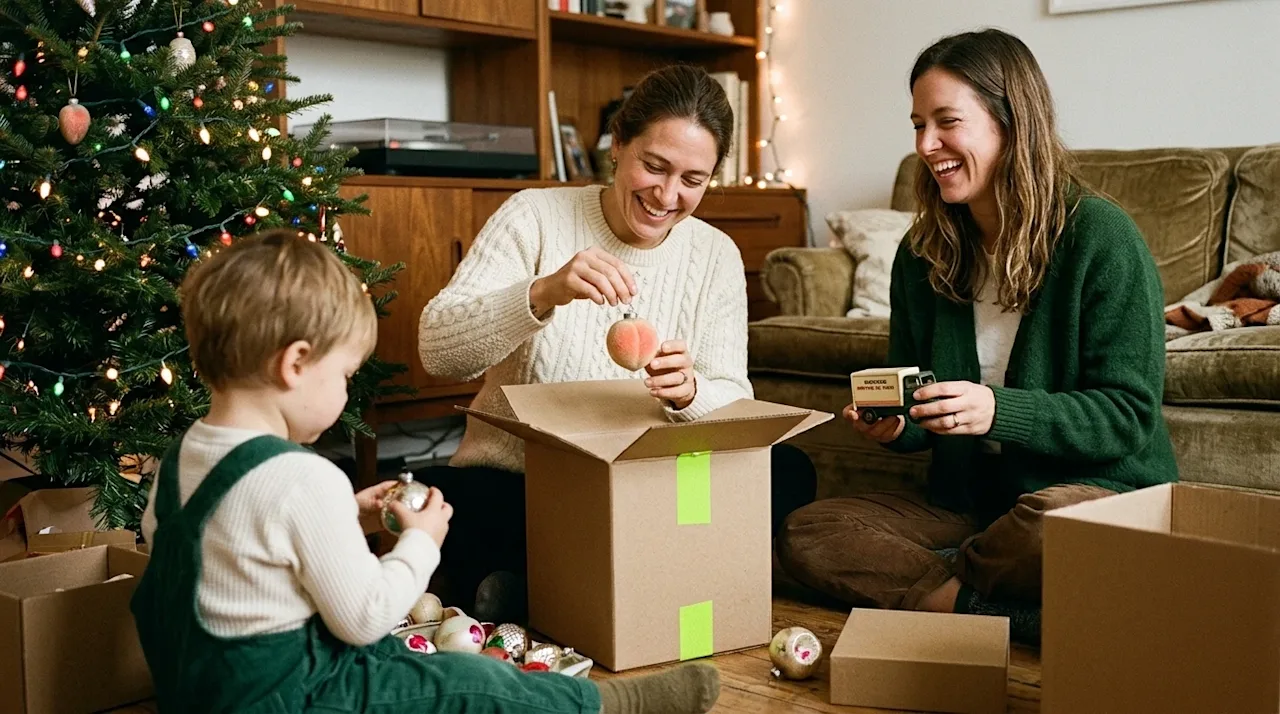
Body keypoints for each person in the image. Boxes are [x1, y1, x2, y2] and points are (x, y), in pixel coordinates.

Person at [130, 229, 721, 714]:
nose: (343, 395)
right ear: (295, 364)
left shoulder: (181, 461)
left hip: (200, 695)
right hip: (290, 698)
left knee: (406, 663)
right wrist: (418, 544)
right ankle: (606, 707)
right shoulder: (300, 480)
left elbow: (239, 557)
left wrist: (346, 510)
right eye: (342, 378)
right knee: (462, 684)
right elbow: (363, 618)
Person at [774, 28, 1178, 645]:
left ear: (1011, 123)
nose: (925, 146)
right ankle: (1014, 613)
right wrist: (899, 426)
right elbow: (918, 400)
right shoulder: (921, 254)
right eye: (917, 124)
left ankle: (943, 596)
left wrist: (997, 411)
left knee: (1056, 528)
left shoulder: (1101, 238)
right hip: (971, 514)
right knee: (811, 530)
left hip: (1085, 498)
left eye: (946, 122)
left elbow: (1127, 416)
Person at [417, 64, 818, 622]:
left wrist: (691, 391)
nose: (667, 195)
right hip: (527, 486)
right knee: (442, 495)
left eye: (693, 180)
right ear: (619, 144)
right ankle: (627, 582)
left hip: (647, 491)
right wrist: (542, 293)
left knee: (789, 469)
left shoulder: (715, 254)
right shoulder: (535, 217)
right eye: (654, 166)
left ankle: (545, 587)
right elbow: (439, 352)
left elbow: (734, 399)